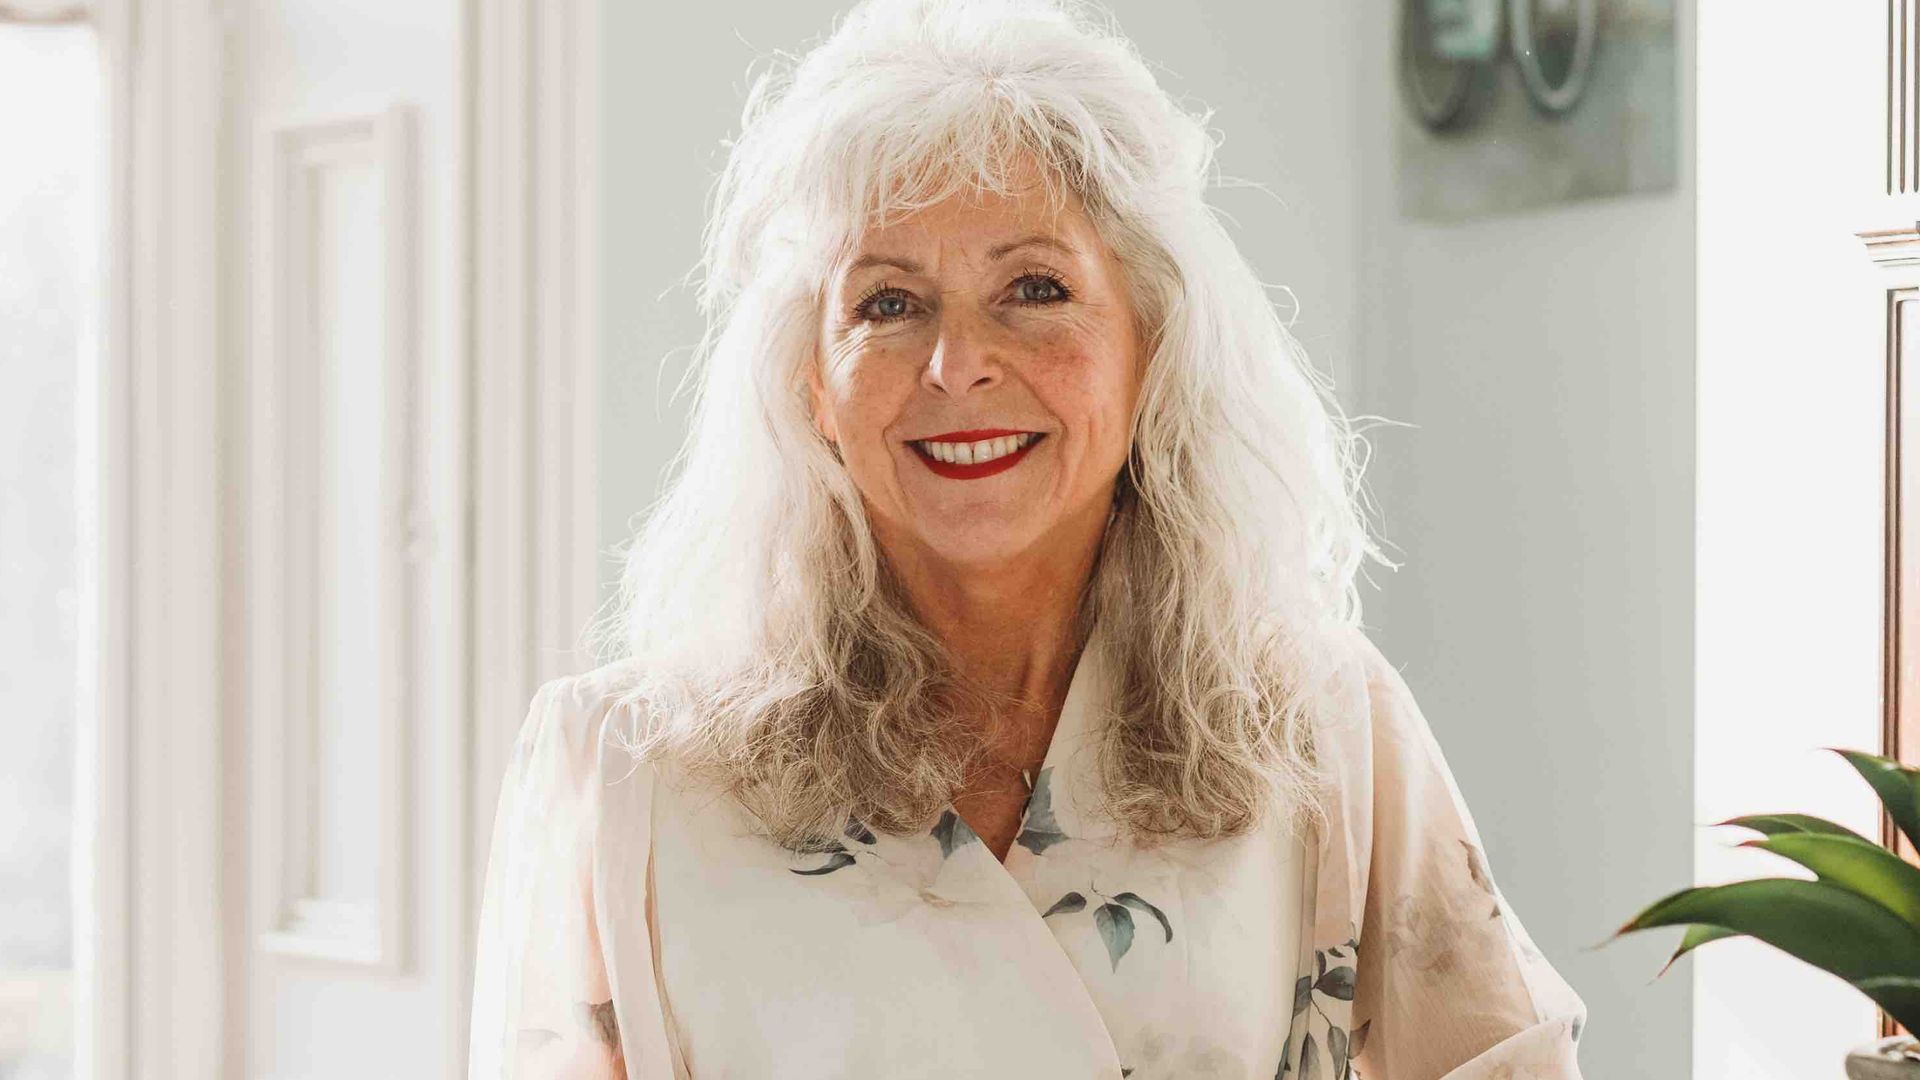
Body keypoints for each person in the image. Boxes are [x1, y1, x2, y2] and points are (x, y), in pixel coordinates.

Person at [468, 0, 1589, 1076]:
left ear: (1152, 345)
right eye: (888, 304)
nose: (958, 366)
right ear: (812, 383)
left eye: (1035, 289)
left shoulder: (1320, 724)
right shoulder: (625, 772)